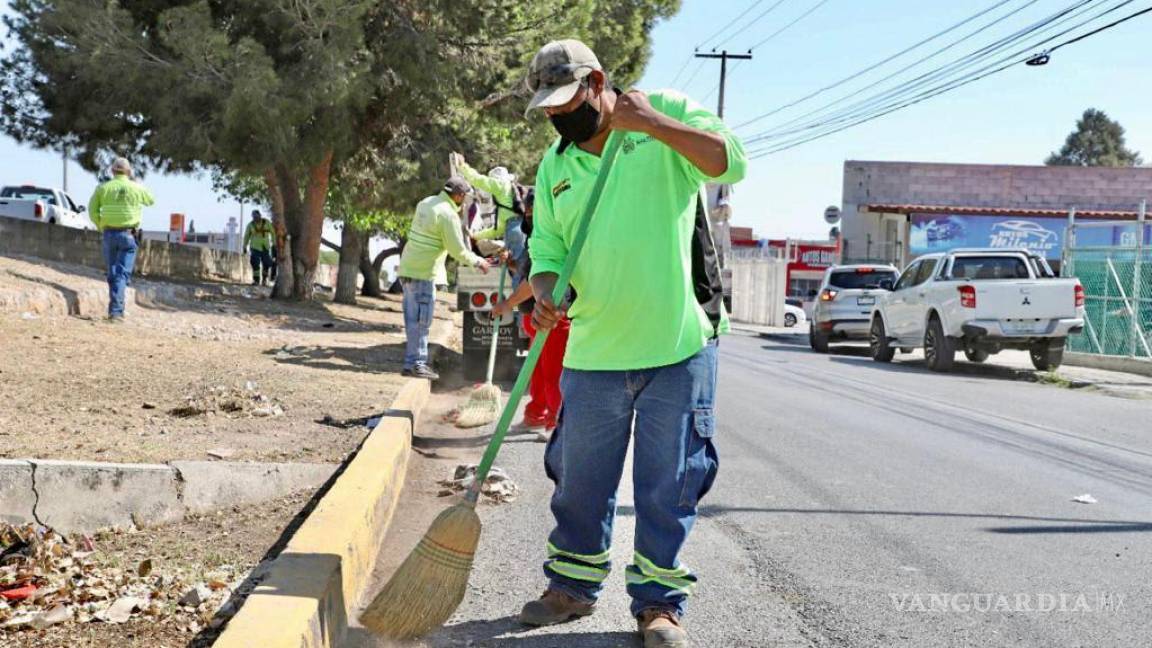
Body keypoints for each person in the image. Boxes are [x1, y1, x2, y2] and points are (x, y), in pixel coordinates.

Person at [517, 39, 746, 648]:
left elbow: (731, 162)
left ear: (597, 82)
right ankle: (571, 586)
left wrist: (652, 123)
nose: (559, 116)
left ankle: (659, 605)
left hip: (679, 345)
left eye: (567, 101)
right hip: (593, 351)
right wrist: (545, 291)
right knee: (578, 480)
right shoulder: (556, 167)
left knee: (667, 483)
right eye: (547, 108)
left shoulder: (663, 112)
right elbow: (547, 251)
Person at [396, 176, 491, 380]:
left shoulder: (426, 203)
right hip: (424, 272)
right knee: (422, 322)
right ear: (458, 195)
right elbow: (457, 250)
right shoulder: (448, 215)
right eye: (464, 197)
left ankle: (410, 363)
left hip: (407, 268)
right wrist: (479, 262)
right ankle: (418, 364)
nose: (465, 201)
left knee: (412, 321)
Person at [491, 189, 565, 442]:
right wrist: (510, 262)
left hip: (551, 316)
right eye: (528, 208)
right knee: (539, 369)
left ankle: (556, 421)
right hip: (533, 315)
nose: (530, 213)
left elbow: (535, 281)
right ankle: (536, 413)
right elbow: (525, 270)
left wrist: (507, 304)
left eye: (535, 208)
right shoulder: (533, 234)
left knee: (553, 370)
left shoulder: (551, 235)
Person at [87, 157, 155, 322]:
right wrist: (137, 185)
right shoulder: (136, 188)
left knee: (112, 272)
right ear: (129, 172)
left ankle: (115, 309)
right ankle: (116, 312)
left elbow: (92, 210)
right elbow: (151, 200)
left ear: (112, 171)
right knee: (122, 274)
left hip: (109, 233)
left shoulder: (103, 188)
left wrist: (100, 225)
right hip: (129, 235)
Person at [451, 154, 522, 245]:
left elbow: (478, 180)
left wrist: (462, 166)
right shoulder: (509, 199)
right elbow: (496, 231)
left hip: (513, 233)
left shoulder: (500, 185)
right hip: (519, 230)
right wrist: (475, 236)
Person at [243, 210, 276, 286]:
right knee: (255, 263)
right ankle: (256, 280)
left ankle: (264, 279)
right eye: (254, 217)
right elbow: (246, 236)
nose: (255, 218)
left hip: (265, 247)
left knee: (266, 264)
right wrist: (244, 246)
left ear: (260, 216)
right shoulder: (250, 225)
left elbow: (273, 233)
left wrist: (274, 244)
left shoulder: (266, 223)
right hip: (254, 247)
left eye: (257, 216)